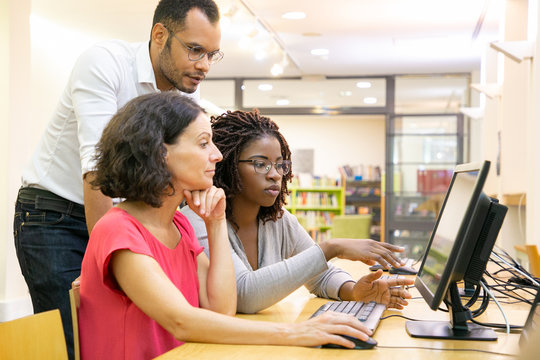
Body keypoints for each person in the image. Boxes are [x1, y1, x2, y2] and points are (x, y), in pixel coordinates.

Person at [79, 92, 373, 359]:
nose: (217, 155)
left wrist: (216, 222)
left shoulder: (179, 225)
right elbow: (180, 321)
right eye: (203, 143)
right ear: (159, 153)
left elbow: (222, 308)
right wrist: (294, 333)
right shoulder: (118, 229)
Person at [13, 1, 222, 358]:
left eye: (212, 54)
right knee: (72, 341)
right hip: (54, 215)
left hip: (120, 219)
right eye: (194, 50)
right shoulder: (104, 63)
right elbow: (97, 173)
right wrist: (100, 259)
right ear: (160, 35)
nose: (203, 65)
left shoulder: (184, 87)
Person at [181, 110, 414, 314]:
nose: (275, 174)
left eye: (281, 164)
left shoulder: (279, 220)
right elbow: (244, 294)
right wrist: (330, 247)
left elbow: (319, 275)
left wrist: (355, 292)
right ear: (228, 165)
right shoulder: (200, 219)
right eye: (261, 164)